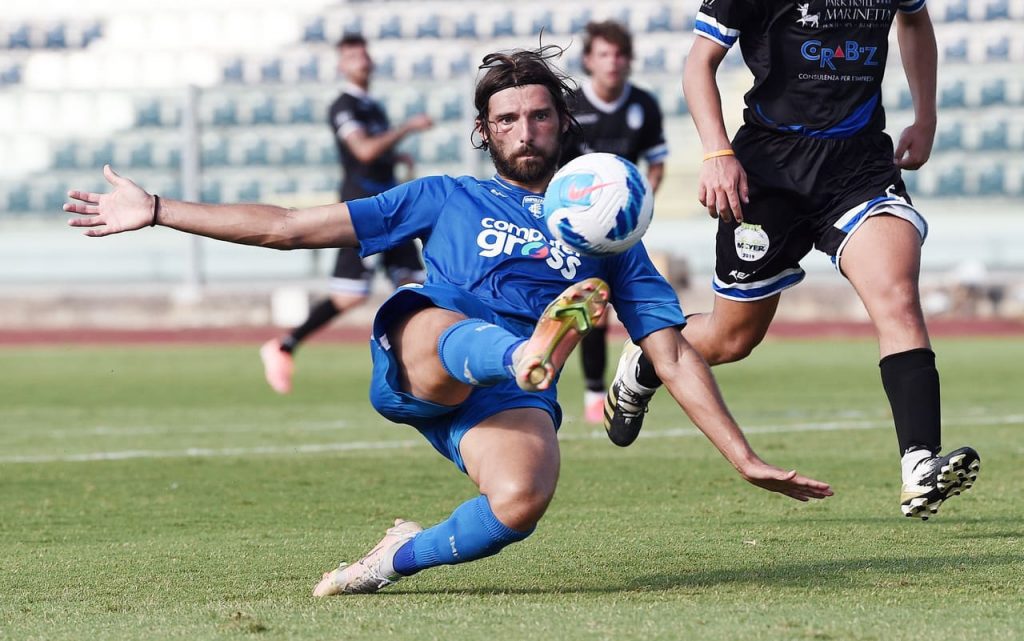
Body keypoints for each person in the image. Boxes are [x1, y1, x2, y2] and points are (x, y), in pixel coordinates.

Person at [65, 46, 831, 596]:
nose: (524, 129)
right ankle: (526, 347)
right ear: (486, 132)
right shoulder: (443, 198)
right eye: (507, 119)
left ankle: (394, 558)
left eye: (537, 115)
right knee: (439, 328)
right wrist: (159, 210)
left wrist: (742, 456)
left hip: (509, 392)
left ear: (562, 123)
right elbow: (289, 226)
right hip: (423, 355)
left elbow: (672, 353)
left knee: (522, 503)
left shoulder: (612, 238)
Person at [603, 0, 979, 520]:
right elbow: (699, 64)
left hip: (859, 166)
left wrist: (927, 116)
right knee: (735, 338)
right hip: (768, 172)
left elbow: (915, 18)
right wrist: (716, 153)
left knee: (897, 296)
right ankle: (647, 359)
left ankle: (919, 464)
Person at [259, 33, 433, 394]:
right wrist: (406, 129)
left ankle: (424, 363)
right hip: (364, 212)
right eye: (353, 55)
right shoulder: (344, 105)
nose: (362, 60)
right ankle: (282, 346)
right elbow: (364, 151)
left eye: (364, 53)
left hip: (390, 207)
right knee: (351, 294)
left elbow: (375, 154)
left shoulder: (373, 106)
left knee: (416, 283)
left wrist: (396, 157)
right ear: (341, 64)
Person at [562, 20, 669, 424]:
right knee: (589, 306)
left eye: (620, 54)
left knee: (616, 304)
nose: (613, 62)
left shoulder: (644, 104)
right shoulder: (571, 107)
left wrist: (643, 204)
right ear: (588, 60)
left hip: (623, 227)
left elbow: (656, 161)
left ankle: (621, 382)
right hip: (575, 226)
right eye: (604, 54)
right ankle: (592, 391)